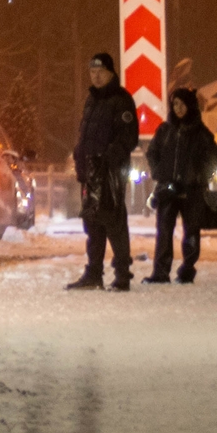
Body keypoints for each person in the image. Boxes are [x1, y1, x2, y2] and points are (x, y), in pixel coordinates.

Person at [69, 51, 142, 290]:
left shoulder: (121, 100)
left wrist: (108, 159)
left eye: (101, 72)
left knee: (113, 222)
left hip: (111, 172)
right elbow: (85, 134)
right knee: (93, 223)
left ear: (111, 73)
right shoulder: (91, 100)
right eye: (92, 72)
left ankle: (122, 274)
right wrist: (81, 158)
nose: (96, 77)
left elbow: (128, 138)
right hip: (91, 171)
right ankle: (94, 273)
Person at [145, 85, 217, 284]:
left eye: (182, 104)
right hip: (168, 188)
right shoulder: (165, 130)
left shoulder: (201, 133)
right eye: (175, 104)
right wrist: (159, 172)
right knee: (164, 230)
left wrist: (199, 177)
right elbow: (152, 153)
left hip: (192, 190)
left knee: (192, 231)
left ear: (190, 105)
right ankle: (160, 272)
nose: (178, 108)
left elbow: (213, 160)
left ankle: (187, 269)